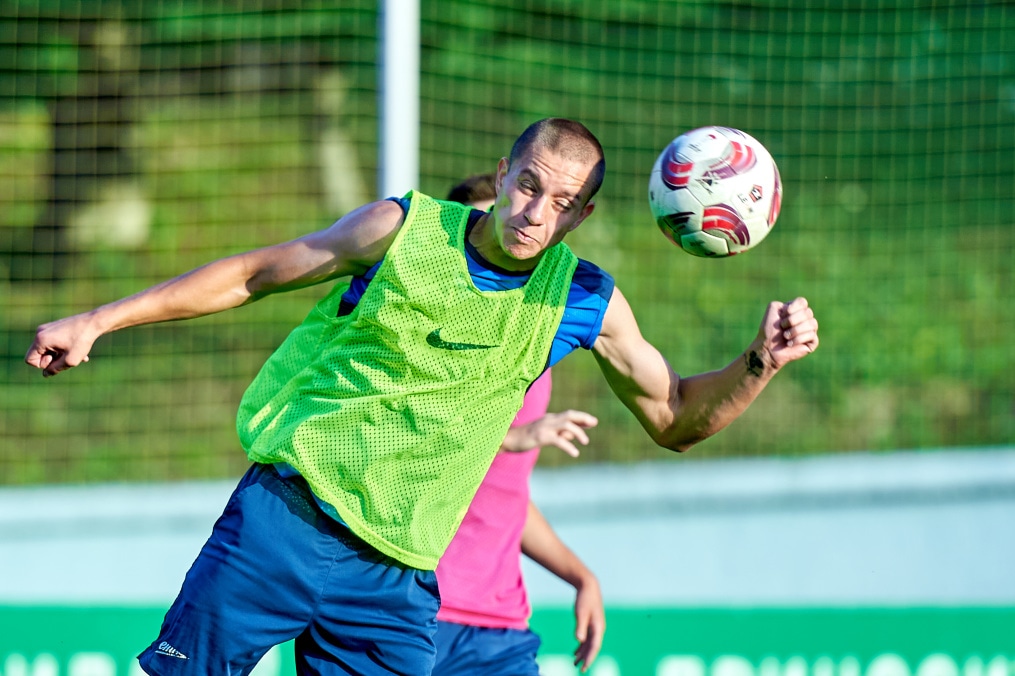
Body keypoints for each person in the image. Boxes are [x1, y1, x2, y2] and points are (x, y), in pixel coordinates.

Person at [25, 117, 819, 675]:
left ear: (583, 212)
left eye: (560, 202)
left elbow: (673, 418)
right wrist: (100, 319)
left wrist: (757, 363)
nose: (534, 213)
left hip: (397, 577)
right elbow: (253, 274)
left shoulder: (583, 300)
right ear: (503, 174)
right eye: (527, 185)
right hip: (285, 522)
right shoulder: (402, 229)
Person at [434, 175, 604, 675]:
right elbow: (412, 437)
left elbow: (503, 495)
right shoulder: (427, 339)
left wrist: (579, 576)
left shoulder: (539, 355)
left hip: (499, 623)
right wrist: (513, 438)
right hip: (414, 610)